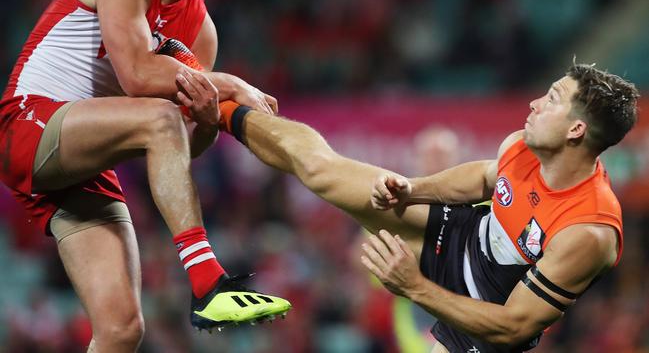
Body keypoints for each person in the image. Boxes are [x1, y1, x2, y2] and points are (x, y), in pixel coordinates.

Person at [0, 0, 290, 352]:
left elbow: (188, 141)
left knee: (122, 330)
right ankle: (208, 284)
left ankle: (205, 289)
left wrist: (208, 114)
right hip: (27, 123)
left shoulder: (201, 33)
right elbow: (136, 76)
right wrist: (234, 85)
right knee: (158, 116)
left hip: (83, 163)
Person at [203, 63, 638, 352]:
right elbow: (486, 178)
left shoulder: (589, 231)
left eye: (552, 99)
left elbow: (514, 325)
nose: (534, 104)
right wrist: (412, 190)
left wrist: (413, 287)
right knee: (322, 169)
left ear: (576, 129)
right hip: (459, 238)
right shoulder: (526, 144)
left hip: (487, 318)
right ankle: (214, 107)